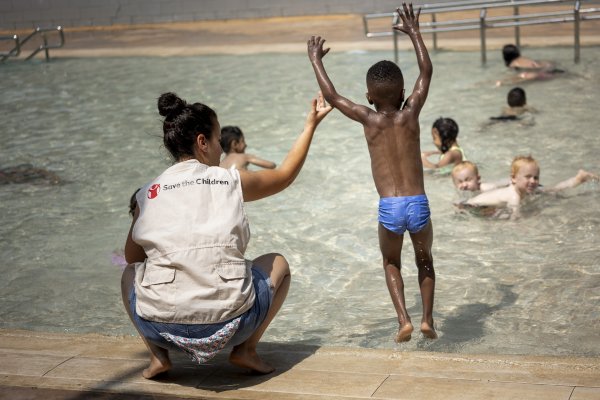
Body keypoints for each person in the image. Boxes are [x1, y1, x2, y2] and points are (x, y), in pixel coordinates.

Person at [122, 91, 332, 378]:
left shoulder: (147, 192)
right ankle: (246, 350)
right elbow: (284, 176)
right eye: (218, 140)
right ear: (202, 142)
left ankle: (158, 356)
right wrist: (311, 125)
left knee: (129, 273)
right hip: (231, 324)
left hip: (160, 328)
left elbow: (132, 258)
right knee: (278, 262)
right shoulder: (228, 179)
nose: (221, 149)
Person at [307, 2, 437, 342]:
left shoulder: (368, 118)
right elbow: (427, 73)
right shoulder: (411, 114)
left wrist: (316, 60)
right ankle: (427, 321)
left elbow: (332, 96)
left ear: (369, 95)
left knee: (391, 262)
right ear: (404, 91)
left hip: (390, 207)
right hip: (419, 203)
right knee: (425, 261)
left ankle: (403, 320)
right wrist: (415, 33)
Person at [462, 155, 599, 219]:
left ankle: (579, 179)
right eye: (528, 177)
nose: (533, 181)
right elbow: (515, 221)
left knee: (551, 191)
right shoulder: (513, 197)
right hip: (471, 208)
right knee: (549, 192)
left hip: (480, 205)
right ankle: (579, 178)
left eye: (536, 177)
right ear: (513, 178)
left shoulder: (521, 191)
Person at [496, 44, 563, 86]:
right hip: (547, 67)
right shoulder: (524, 58)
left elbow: (515, 77)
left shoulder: (513, 64)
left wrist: (502, 82)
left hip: (539, 73)